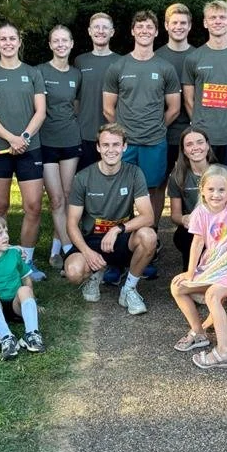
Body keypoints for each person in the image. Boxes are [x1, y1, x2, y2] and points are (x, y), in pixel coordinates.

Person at [170, 165, 227, 370]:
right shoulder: (200, 213)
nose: (216, 194)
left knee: (212, 295)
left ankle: (223, 353)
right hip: (216, 264)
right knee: (178, 287)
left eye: (221, 190)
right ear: (202, 190)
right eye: (211, 189)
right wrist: (190, 272)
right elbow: (197, 243)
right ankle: (199, 332)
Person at [64, 124, 157, 316]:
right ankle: (95, 274)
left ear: (124, 147)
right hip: (92, 239)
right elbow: (72, 223)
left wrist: (117, 229)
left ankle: (129, 289)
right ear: (98, 147)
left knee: (148, 236)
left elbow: (148, 216)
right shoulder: (83, 177)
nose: (111, 150)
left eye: (116, 144)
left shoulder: (134, 173)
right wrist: (87, 252)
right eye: (105, 145)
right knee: (73, 272)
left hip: (122, 238)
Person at [0, 23, 46, 278]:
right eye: (3, 39)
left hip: (30, 148)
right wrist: (11, 139)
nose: (8, 43)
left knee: (33, 206)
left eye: (12, 38)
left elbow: (41, 111)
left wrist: (24, 137)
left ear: (19, 41)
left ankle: (26, 261)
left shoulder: (33, 73)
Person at [103, 10, 180, 229]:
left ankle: (151, 234)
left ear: (156, 32)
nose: (144, 31)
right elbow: (108, 108)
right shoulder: (118, 67)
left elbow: (174, 108)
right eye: (140, 27)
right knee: (121, 189)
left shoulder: (165, 68)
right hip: (125, 144)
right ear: (132, 31)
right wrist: (121, 134)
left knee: (153, 189)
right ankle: (122, 235)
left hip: (154, 142)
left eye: (149, 27)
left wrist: (156, 127)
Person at [183, 0, 227, 168]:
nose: (217, 21)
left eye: (222, 17)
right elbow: (189, 100)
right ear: (205, 23)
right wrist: (200, 127)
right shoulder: (193, 58)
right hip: (203, 139)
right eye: (212, 17)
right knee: (205, 181)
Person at [37, 25, 82, 271]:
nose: (61, 44)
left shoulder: (76, 74)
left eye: (65, 40)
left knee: (67, 196)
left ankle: (56, 249)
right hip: (45, 142)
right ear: (50, 45)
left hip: (70, 140)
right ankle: (68, 249)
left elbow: (75, 106)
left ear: (72, 43)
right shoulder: (39, 71)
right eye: (56, 41)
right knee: (55, 200)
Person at [0, 214, 45, 360]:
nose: (6, 236)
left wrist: (33, 302)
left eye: (6, 231)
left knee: (25, 290)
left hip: (16, 305)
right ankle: (7, 339)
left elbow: (26, 278)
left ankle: (32, 335)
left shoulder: (14, 254)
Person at [167, 127, 218, 271]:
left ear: (207, 145)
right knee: (184, 237)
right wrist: (184, 219)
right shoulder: (177, 176)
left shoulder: (221, 171)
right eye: (189, 144)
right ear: (183, 150)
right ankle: (191, 273)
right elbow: (175, 215)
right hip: (194, 229)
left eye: (200, 142)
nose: (195, 147)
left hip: (219, 226)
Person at [155, 3, 196, 177]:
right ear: (166, 25)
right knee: (160, 181)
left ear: (190, 26)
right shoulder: (155, 57)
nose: (179, 27)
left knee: (192, 181)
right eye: (174, 22)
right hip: (162, 131)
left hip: (192, 131)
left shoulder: (199, 56)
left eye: (183, 23)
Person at [75, 12, 117, 170]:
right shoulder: (80, 61)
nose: (100, 31)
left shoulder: (121, 62)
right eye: (96, 27)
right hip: (85, 134)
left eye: (105, 27)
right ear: (89, 31)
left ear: (112, 32)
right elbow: (76, 99)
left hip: (112, 134)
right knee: (85, 179)